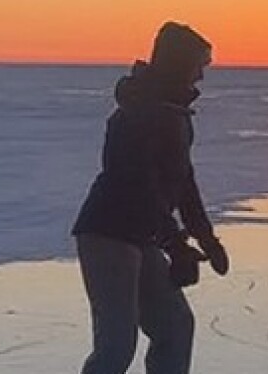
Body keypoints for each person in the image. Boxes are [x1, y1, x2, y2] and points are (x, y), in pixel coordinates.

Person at [72, 21, 229, 374]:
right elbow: (138, 187)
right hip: (107, 233)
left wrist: (206, 238)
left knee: (175, 327)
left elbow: (182, 183)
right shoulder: (135, 116)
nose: (201, 77)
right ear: (177, 64)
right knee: (115, 347)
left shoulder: (174, 115)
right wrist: (175, 245)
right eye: (198, 66)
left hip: (142, 235)